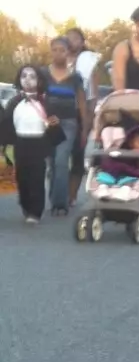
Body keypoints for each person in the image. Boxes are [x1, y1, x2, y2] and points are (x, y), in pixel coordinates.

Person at [0, 65, 61, 223]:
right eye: (24, 76)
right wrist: (4, 145)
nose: (27, 79)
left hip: (38, 142)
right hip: (20, 142)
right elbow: (6, 125)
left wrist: (54, 125)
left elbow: (54, 124)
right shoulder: (14, 102)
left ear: (40, 81)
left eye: (32, 76)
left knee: (37, 177)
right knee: (22, 177)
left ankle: (35, 211)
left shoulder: (46, 101)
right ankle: (26, 206)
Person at [43, 36, 88, 215]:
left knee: (62, 160)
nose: (58, 54)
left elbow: (82, 103)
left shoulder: (75, 77)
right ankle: (55, 198)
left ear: (69, 53)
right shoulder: (43, 74)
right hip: (48, 122)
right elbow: (38, 97)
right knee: (52, 162)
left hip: (68, 123)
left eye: (62, 50)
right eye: (55, 50)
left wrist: (84, 127)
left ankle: (60, 203)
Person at [65, 28, 101, 208]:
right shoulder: (59, 59)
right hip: (61, 112)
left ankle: (71, 196)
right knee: (59, 156)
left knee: (77, 155)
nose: (71, 41)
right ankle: (59, 192)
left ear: (82, 41)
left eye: (75, 38)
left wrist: (89, 118)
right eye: (68, 38)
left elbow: (93, 94)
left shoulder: (89, 61)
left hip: (82, 113)